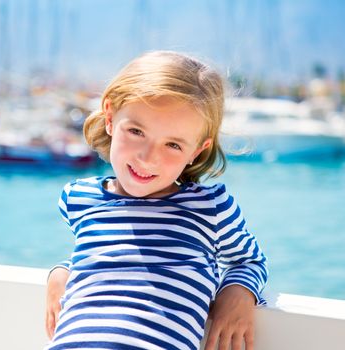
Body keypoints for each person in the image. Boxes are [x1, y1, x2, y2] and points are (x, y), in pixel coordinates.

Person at [45, 51, 268, 350]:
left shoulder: (208, 209)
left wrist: (238, 292)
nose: (148, 158)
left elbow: (250, 260)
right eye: (136, 131)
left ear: (196, 152)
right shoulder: (79, 199)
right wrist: (62, 271)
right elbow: (110, 254)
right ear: (110, 118)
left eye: (173, 144)